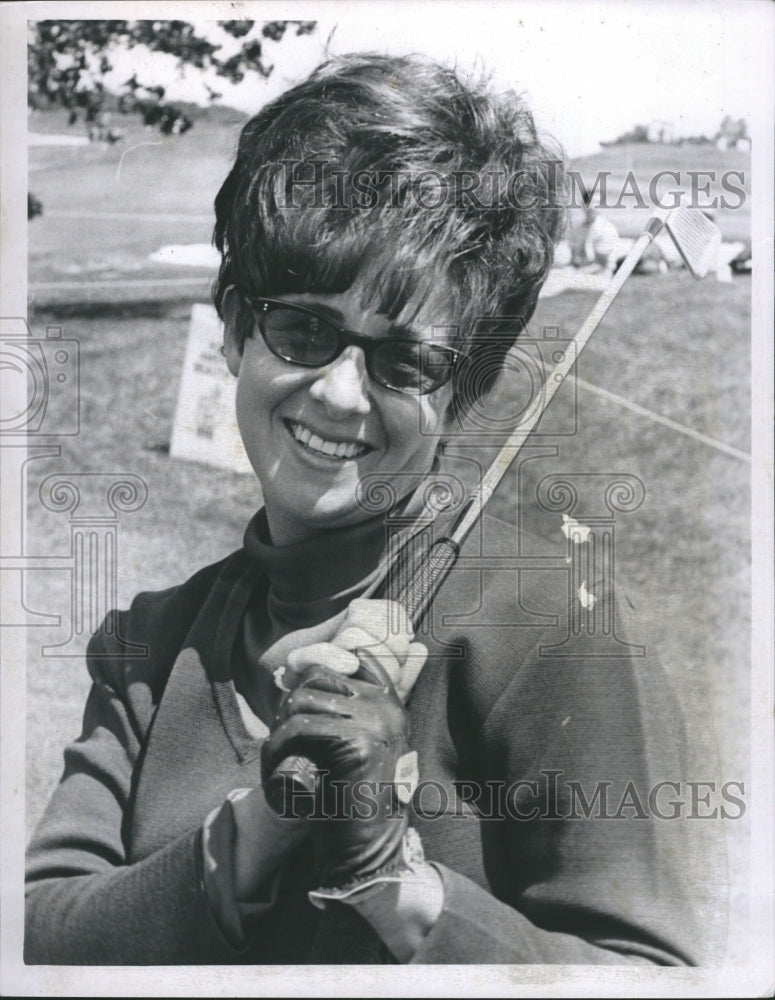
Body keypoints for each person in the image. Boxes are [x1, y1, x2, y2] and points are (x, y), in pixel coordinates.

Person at [25, 53, 710, 966]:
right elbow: (34, 939)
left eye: (405, 361)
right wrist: (259, 828)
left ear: (461, 391)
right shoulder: (146, 646)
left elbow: (650, 977)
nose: (342, 396)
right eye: (303, 329)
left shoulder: (556, 627)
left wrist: (392, 871)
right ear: (233, 327)